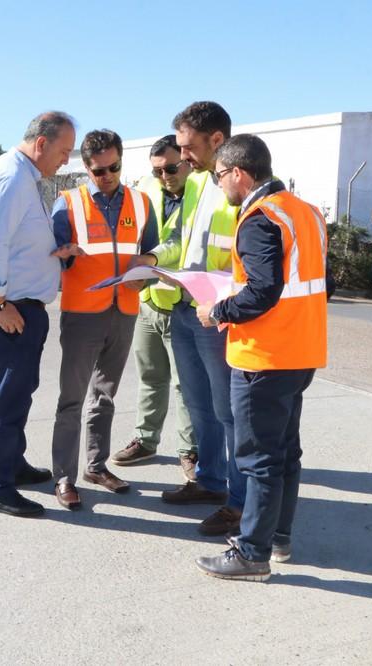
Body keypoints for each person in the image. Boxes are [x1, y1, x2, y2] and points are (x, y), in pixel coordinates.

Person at [194, 134, 327, 581]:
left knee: (258, 460)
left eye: (219, 176)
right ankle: (279, 537)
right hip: (301, 351)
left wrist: (217, 312)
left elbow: (262, 291)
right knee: (286, 453)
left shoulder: (259, 217)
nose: (219, 185)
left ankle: (252, 553)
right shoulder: (305, 212)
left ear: (239, 173)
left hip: (263, 357)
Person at [0, 111, 80, 518]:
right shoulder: (11, 178)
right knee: (5, 400)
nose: (65, 160)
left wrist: (52, 254)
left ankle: (12, 464)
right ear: (41, 143)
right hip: (5, 309)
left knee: (18, 392)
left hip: (17, 306)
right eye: (63, 151)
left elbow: (16, 241)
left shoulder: (23, 177)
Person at [131, 102, 244, 536]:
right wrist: (153, 257)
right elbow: (180, 236)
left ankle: (238, 500)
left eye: (187, 146)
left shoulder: (240, 185)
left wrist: (220, 302)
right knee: (199, 405)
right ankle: (210, 482)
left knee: (227, 410)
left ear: (216, 140)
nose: (182, 156)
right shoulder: (197, 180)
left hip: (216, 315)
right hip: (184, 307)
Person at [50, 129, 159, 510]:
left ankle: (96, 466)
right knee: (72, 399)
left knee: (105, 395)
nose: (108, 175)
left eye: (114, 167)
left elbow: (152, 251)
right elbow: (55, 256)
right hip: (82, 314)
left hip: (125, 310)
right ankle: (63, 477)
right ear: (86, 167)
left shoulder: (142, 203)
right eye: (99, 170)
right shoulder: (67, 204)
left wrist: (150, 264)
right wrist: (64, 254)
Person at [111, 135, 197, 477]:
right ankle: (146, 441)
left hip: (184, 305)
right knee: (150, 377)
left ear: (187, 162)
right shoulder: (148, 189)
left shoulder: (203, 194)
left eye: (171, 168)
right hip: (149, 301)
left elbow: (177, 243)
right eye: (158, 170)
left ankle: (190, 450)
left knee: (185, 384)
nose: (165, 176)